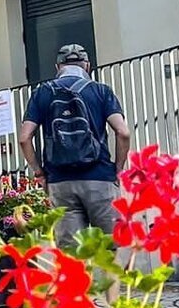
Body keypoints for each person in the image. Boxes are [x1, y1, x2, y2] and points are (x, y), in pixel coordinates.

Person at [19, 45, 131, 246]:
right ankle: (110, 279)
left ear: (57, 66)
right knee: (113, 249)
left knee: (72, 256)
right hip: (100, 179)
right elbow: (123, 132)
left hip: (60, 182)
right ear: (87, 66)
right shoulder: (101, 91)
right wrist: (119, 169)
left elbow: (24, 138)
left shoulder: (42, 93)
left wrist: (39, 173)